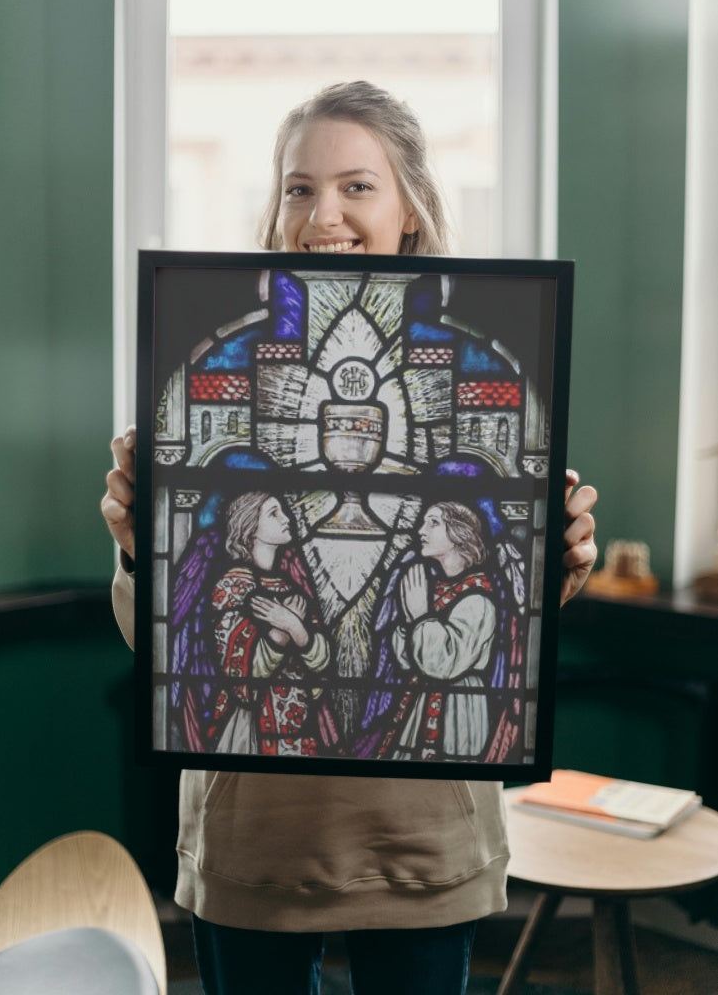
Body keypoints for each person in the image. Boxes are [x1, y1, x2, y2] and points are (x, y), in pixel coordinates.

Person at [102, 80, 598, 995]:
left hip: (419, 836)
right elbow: (164, 643)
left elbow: (503, 638)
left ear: (410, 207)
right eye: (298, 187)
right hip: (255, 836)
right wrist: (140, 548)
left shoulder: (487, 377)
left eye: (356, 186)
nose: (321, 212)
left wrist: (554, 563)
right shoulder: (211, 378)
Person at [360, 502, 497, 763]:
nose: (421, 530)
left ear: (460, 533)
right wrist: (412, 621)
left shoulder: (478, 600)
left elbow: (444, 664)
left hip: (457, 709)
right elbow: (405, 660)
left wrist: (421, 617)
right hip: (420, 699)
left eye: (433, 522)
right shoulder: (436, 590)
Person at [206, 491, 335, 757]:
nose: (286, 518)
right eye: (274, 513)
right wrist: (280, 631)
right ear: (250, 526)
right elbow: (241, 677)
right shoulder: (232, 587)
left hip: (299, 726)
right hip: (250, 729)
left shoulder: (289, 586)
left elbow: (322, 663)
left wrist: (294, 626)